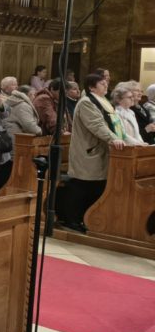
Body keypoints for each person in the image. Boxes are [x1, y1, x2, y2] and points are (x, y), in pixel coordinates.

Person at [58, 72, 126, 233]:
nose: (106, 85)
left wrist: (130, 141)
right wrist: (113, 139)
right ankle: (71, 219)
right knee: (82, 186)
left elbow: (116, 126)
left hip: (98, 151)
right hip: (88, 151)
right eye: (102, 83)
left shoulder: (103, 102)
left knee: (94, 187)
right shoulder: (86, 103)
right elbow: (97, 125)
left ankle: (86, 218)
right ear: (91, 87)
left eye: (106, 82)